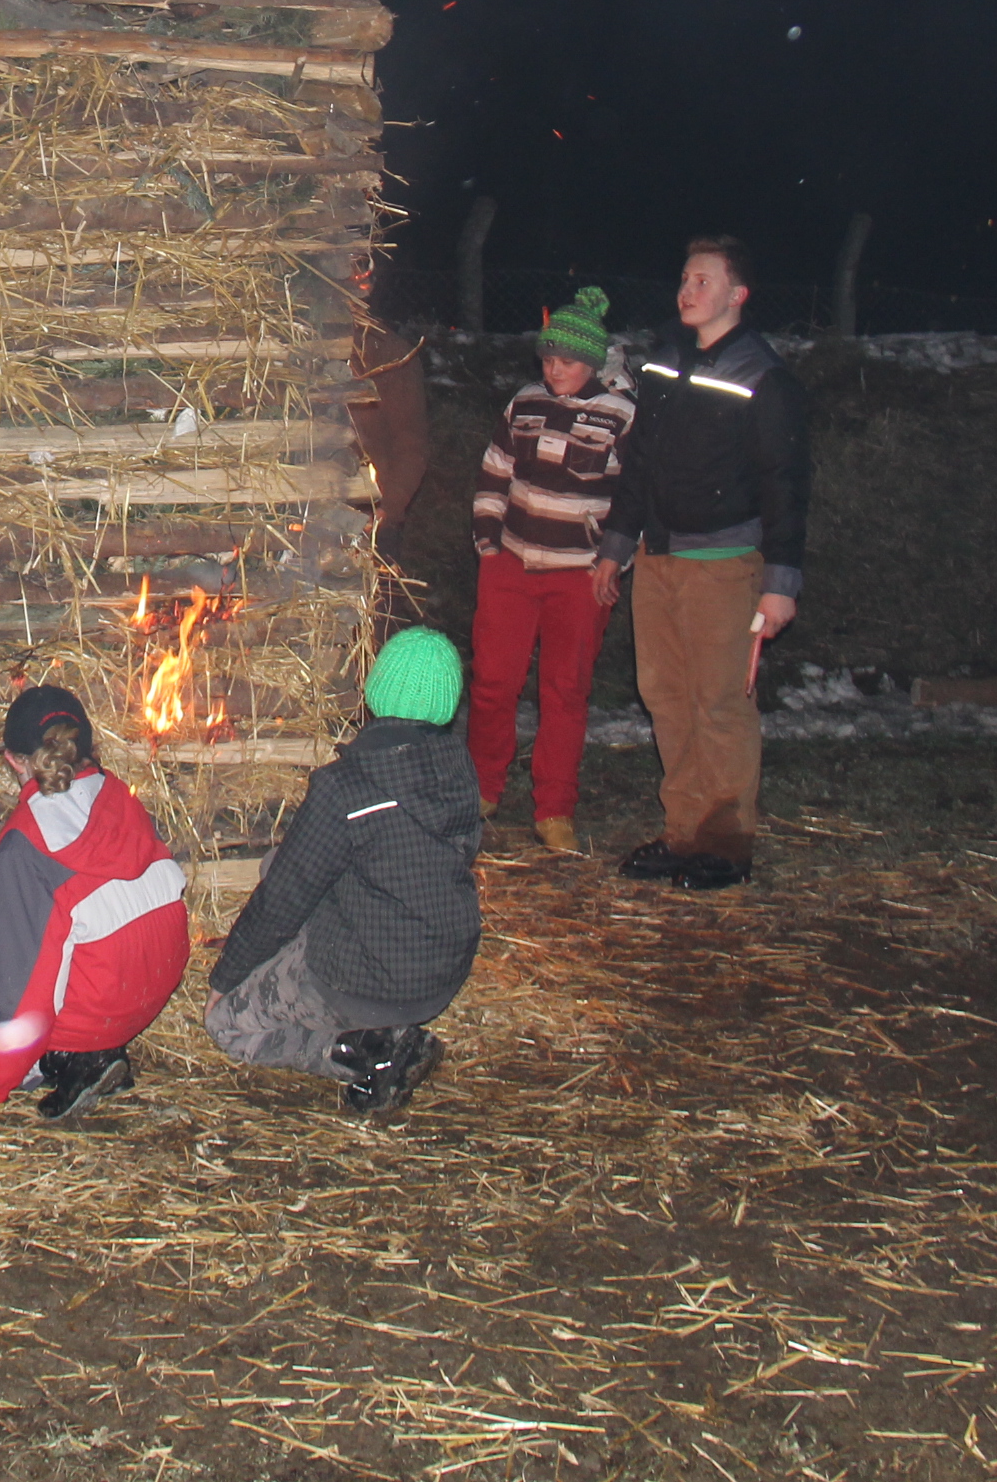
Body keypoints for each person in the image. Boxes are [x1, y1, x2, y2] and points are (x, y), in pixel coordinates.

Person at [203, 627, 483, 1118]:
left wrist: (225, 979)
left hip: (367, 983)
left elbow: (282, 901)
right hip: (444, 966)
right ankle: (380, 1030)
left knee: (226, 1025)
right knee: (285, 861)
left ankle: (369, 1053)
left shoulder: (347, 787)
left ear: (377, 688)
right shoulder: (459, 768)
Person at [608, 237, 812, 891]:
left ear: (737, 294)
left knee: (718, 702)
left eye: (703, 280)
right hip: (658, 557)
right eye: (684, 278)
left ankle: (725, 842)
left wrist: (780, 583)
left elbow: (785, 482)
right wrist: (617, 544)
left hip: (723, 565)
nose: (687, 290)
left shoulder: (763, 375)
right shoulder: (665, 360)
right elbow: (639, 459)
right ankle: (683, 832)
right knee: (665, 696)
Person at [0, 684, 187, 1124]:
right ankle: (97, 1049)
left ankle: (69, 1062)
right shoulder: (119, 795)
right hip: (149, 991)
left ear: (13, 760)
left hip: (95, 1012)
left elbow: (23, 995)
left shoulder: (26, 842)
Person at [467, 285, 638, 855]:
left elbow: (637, 498)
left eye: (565, 360)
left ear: (591, 361)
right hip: (511, 565)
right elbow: (495, 472)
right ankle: (482, 788)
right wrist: (488, 542)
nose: (554, 369)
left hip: (581, 576)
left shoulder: (622, 414)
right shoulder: (524, 403)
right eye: (547, 359)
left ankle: (555, 807)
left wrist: (614, 559)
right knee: (493, 683)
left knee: (565, 691)